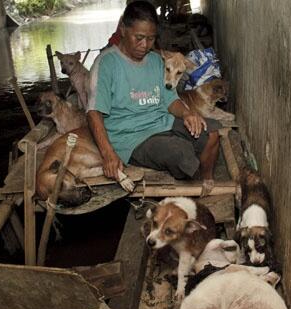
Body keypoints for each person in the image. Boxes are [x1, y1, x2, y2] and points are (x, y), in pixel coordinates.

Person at [87, 1, 220, 194]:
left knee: (212, 133)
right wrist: (108, 154)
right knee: (181, 153)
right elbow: (93, 113)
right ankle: (192, 182)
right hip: (130, 137)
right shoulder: (106, 64)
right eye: (139, 38)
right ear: (123, 29)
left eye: (150, 39)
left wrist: (188, 113)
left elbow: (170, 100)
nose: (144, 45)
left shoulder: (156, 61)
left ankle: (206, 183)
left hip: (161, 122)